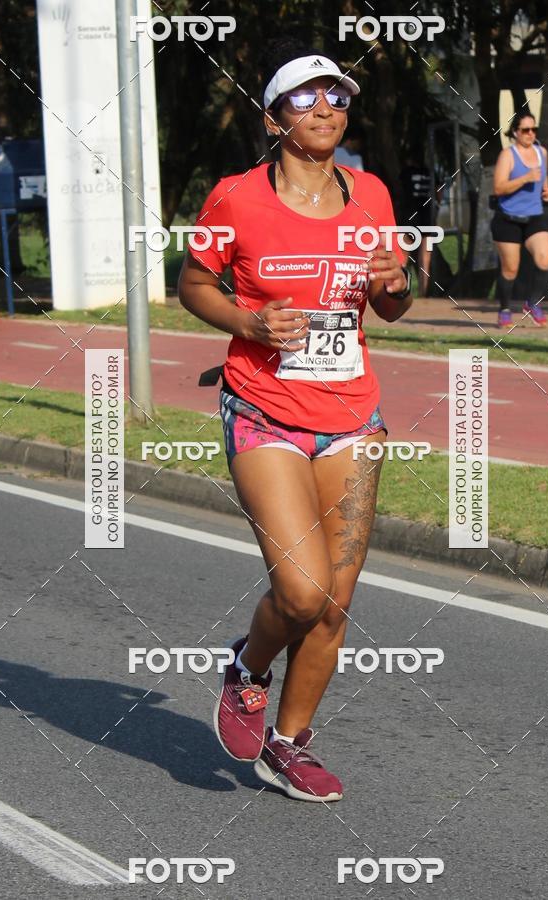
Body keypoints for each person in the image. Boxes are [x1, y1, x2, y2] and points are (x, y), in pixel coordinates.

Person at [178, 37, 411, 802]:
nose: (326, 109)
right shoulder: (236, 197)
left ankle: (288, 742)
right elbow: (193, 284)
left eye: (338, 97)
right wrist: (248, 324)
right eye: (308, 97)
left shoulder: (371, 194)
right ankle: (247, 669)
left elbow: (392, 303)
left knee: (336, 604)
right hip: (265, 412)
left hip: (352, 416)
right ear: (276, 114)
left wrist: (397, 281)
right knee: (303, 591)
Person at [491, 112, 548, 328]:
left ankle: (533, 302)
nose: (530, 134)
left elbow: (543, 179)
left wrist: (546, 191)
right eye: (525, 130)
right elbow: (498, 188)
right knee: (510, 269)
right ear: (515, 132)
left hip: (534, 217)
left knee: (544, 258)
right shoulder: (508, 155)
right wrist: (525, 178)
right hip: (508, 219)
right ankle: (504, 309)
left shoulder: (541, 152)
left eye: (533, 130)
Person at [400, 155, 434, 296]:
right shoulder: (430, 172)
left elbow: (400, 190)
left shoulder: (405, 172)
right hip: (427, 214)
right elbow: (438, 193)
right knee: (425, 257)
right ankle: (423, 291)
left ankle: (401, 289)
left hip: (411, 213)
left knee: (403, 254)